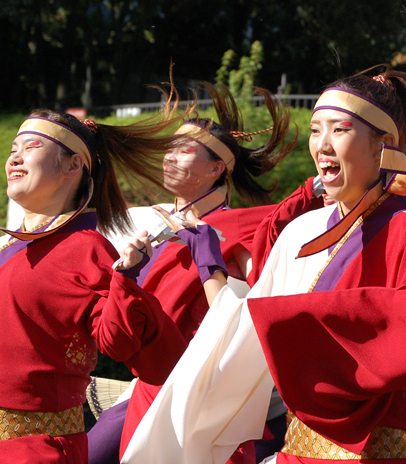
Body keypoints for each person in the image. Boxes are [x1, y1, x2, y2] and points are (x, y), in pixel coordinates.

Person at [122, 6, 406, 464]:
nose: (321, 143)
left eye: (339, 129)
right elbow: (244, 329)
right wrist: (208, 265)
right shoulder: (303, 230)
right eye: (316, 129)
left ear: (384, 145)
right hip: (301, 452)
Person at [86, 83, 296, 464]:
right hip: (149, 384)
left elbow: (258, 313)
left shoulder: (245, 227)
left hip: (207, 394)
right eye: (169, 147)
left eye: (183, 150)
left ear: (217, 168)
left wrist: (208, 257)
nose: (169, 157)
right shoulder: (147, 221)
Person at [0, 108, 189, 463]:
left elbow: (120, 342)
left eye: (31, 146)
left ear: (73, 166)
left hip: (35, 450)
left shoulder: (86, 248)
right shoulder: (10, 243)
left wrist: (126, 280)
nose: (15, 156)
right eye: (13, 148)